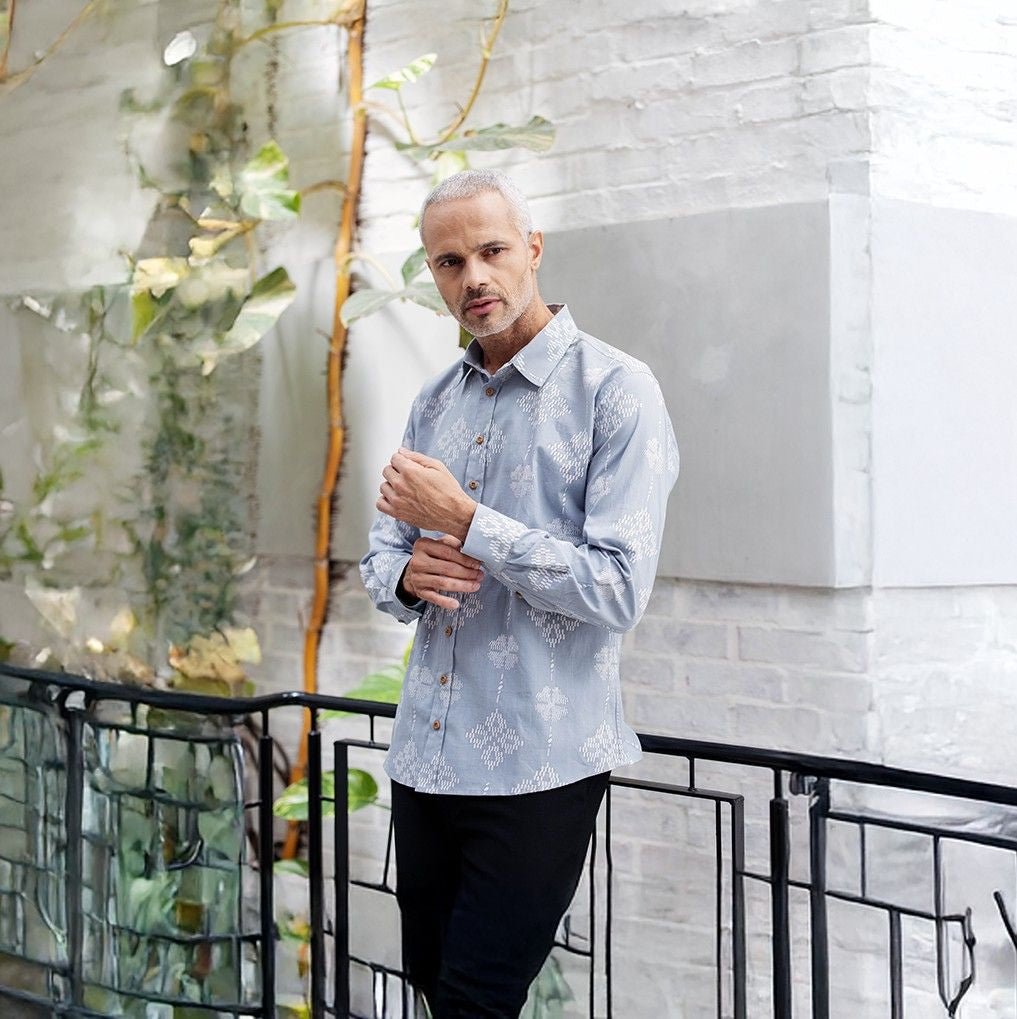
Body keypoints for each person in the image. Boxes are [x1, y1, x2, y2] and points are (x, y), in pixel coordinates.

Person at [360, 169, 679, 1018]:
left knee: (477, 997)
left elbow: (616, 587)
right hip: (426, 760)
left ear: (532, 249)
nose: (473, 279)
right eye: (448, 261)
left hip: (539, 765)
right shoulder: (433, 402)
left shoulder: (616, 391)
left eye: (492, 251)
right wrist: (402, 574)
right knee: (433, 983)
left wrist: (468, 523)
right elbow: (380, 554)